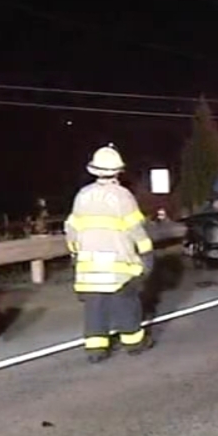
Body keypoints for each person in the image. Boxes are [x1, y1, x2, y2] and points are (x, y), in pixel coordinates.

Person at [65, 144, 155, 363]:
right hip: (119, 266)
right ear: (118, 171)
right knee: (126, 302)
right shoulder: (122, 196)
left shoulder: (82, 196)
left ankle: (96, 349)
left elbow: (71, 229)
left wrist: (75, 253)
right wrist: (147, 254)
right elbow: (135, 229)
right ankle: (133, 342)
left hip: (89, 266)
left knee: (95, 307)